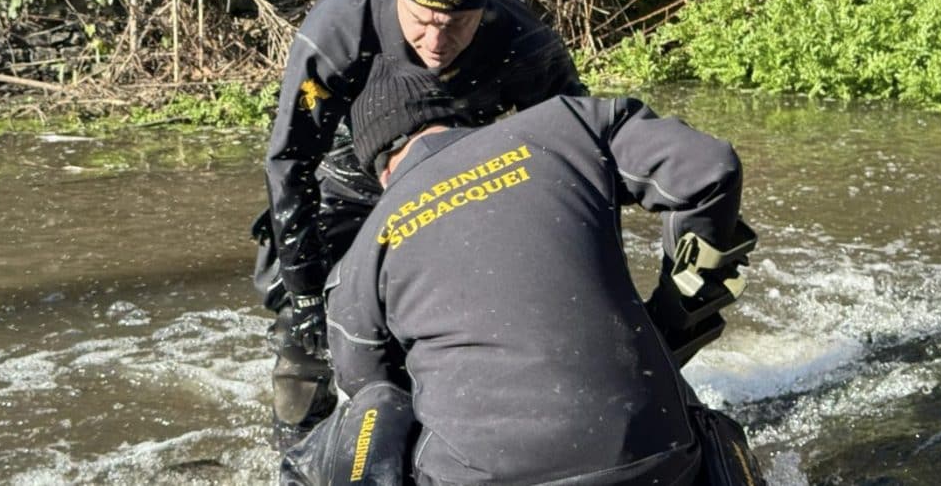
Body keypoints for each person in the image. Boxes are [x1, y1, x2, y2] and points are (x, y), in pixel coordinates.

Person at [281, 58, 764, 485]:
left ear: (378, 165)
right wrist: (676, 318)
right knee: (675, 393)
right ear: (460, 114)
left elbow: (372, 394)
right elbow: (709, 169)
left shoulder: (365, 250)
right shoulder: (569, 122)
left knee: (362, 414)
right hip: (659, 462)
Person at [256, 0, 587, 450]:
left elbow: (578, 147)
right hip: (342, 187)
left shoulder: (519, 38)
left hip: (455, 184)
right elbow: (288, 164)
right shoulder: (341, 30)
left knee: (455, 330)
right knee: (304, 355)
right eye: (421, 19)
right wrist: (306, 296)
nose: (436, 40)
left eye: (457, 23)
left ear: (482, 9)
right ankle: (294, 452)